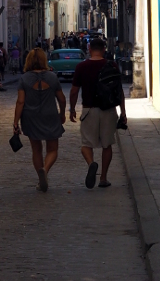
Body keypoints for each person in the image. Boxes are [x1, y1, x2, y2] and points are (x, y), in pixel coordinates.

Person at [70, 37, 126, 189]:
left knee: (86, 144)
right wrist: (123, 113)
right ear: (103, 50)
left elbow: (74, 91)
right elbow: (119, 91)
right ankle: (103, 178)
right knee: (107, 145)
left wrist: (72, 109)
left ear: (89, 49)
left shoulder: (82, 67)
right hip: (108, 110)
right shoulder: (111, 65)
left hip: (89, 109)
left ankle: (91, 163)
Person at [13, 48, 66, 193]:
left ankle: (40, 177)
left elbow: (20, 102)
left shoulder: (24, 79)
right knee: (53, 149)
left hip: (31, 117)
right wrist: (62, 113)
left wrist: (15, 122)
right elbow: (61, 98)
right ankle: (45, 169)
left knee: (36, 149)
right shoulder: (52, 77)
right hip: (50, 115)